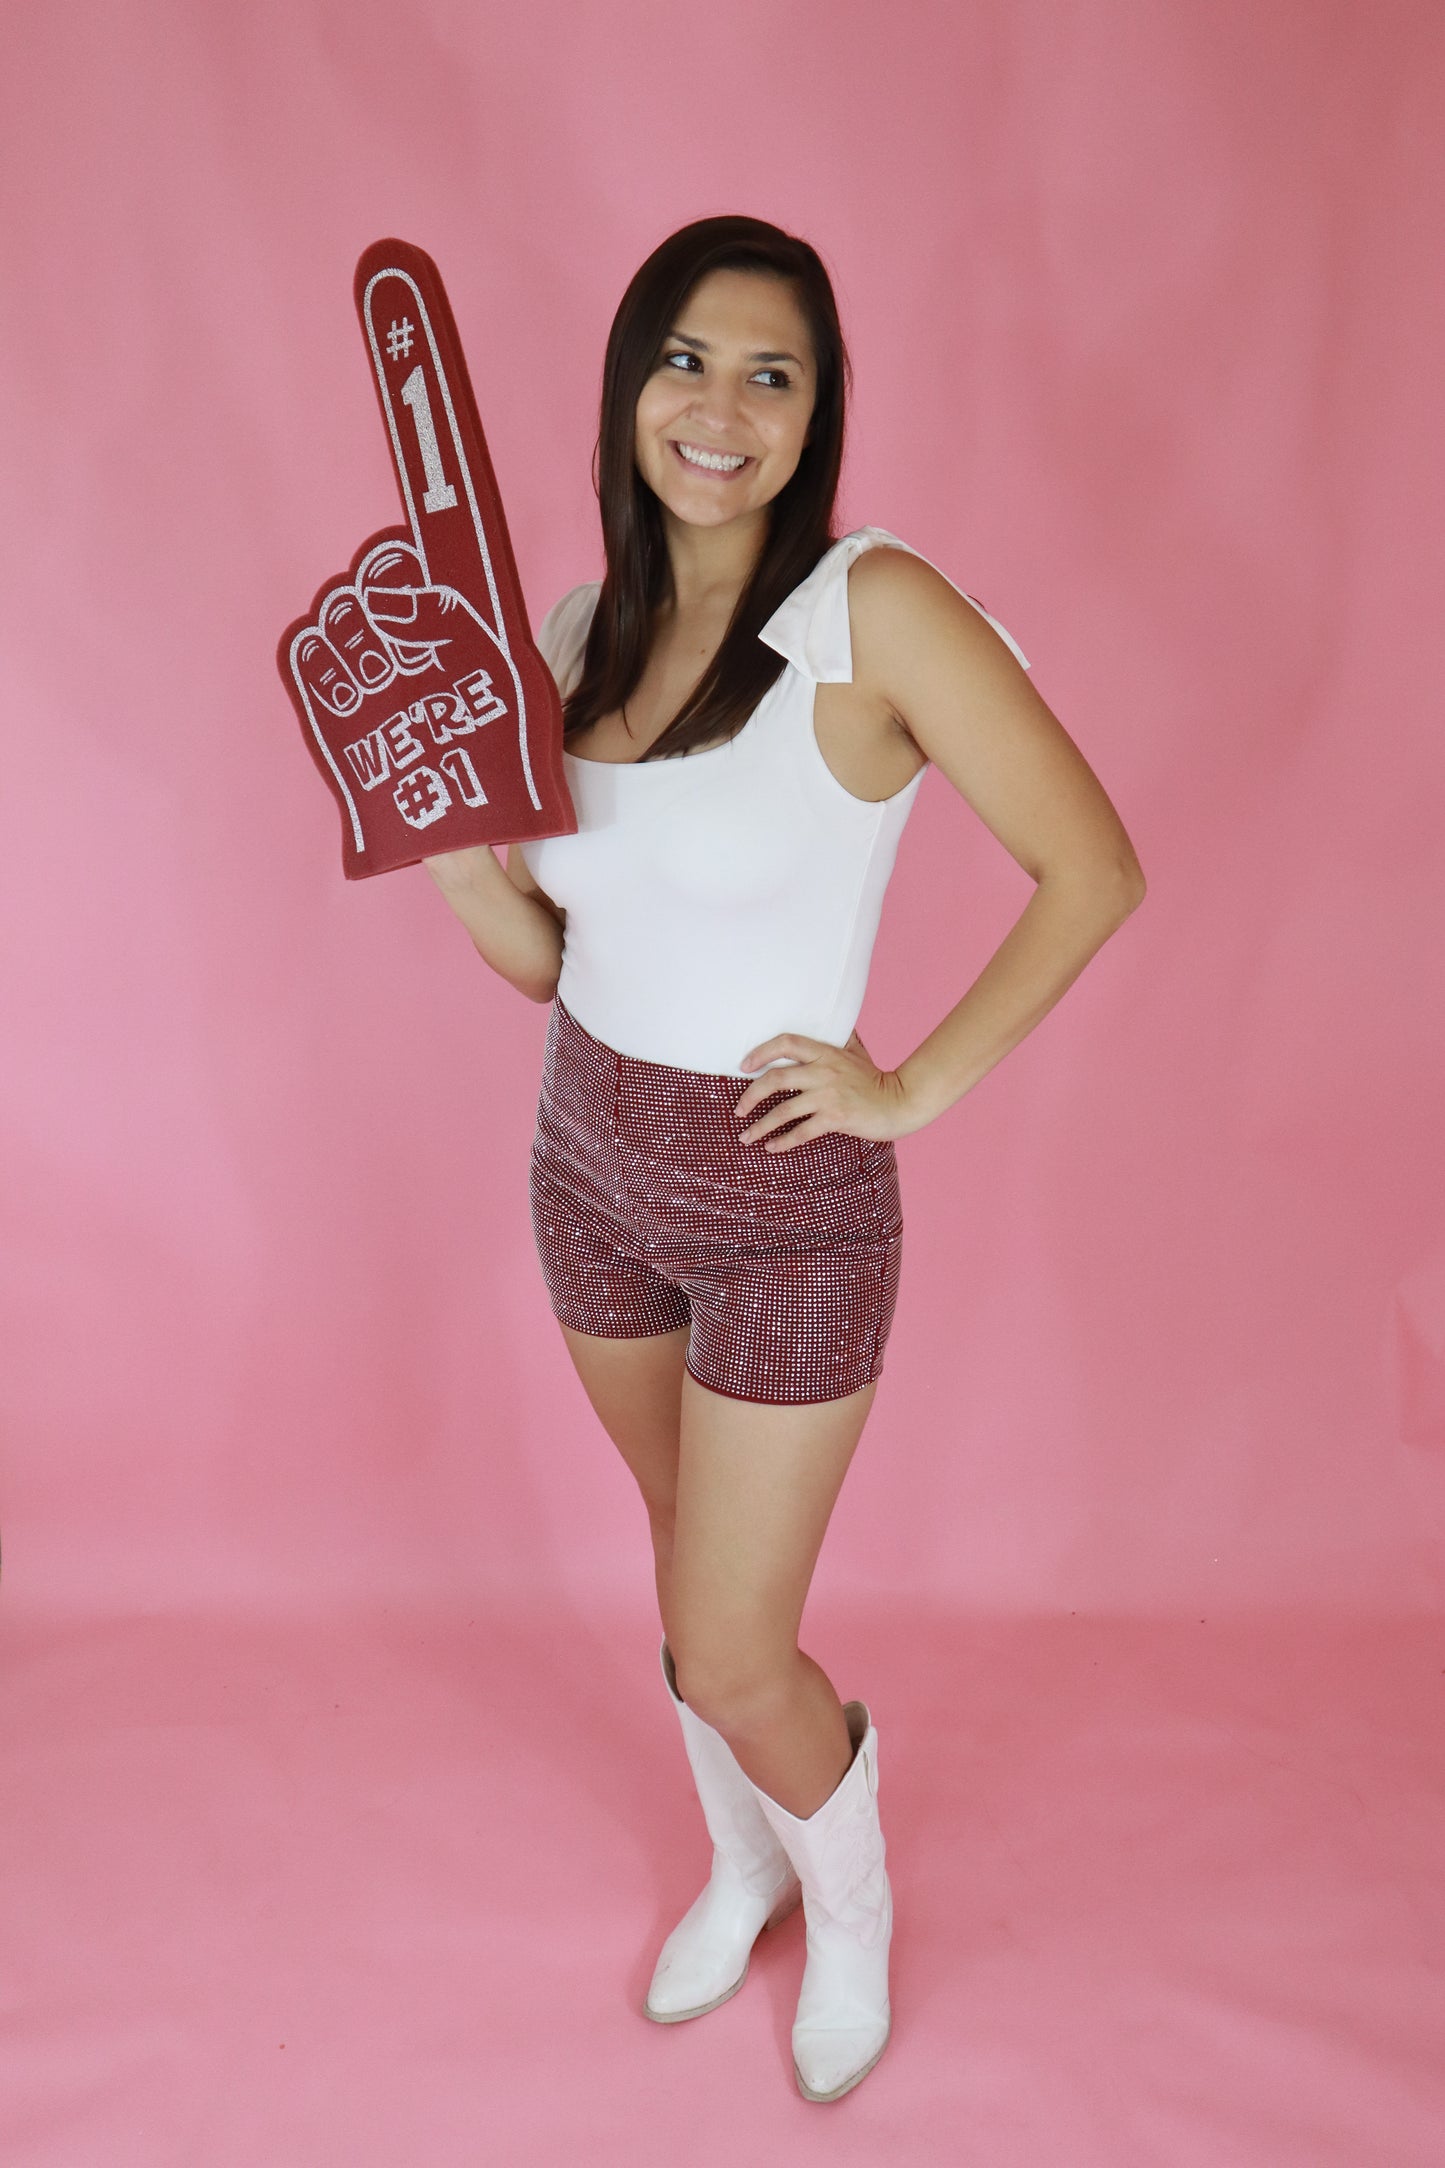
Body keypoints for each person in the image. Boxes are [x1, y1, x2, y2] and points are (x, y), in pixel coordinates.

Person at [422, 214, 1146, 2103]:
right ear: (627, 386)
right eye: (684, 359)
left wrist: (907, 1087)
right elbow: (550, 966)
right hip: (585, 1168)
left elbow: (1095, 868)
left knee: (736, 1642)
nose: (720, 406)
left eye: (772, 372)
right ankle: (746, 1865)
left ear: (816, 411)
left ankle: (851, 1895)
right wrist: (446, 856)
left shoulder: (869, 610)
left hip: (783, 1216)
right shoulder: (577, 633)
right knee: (684, 1575)